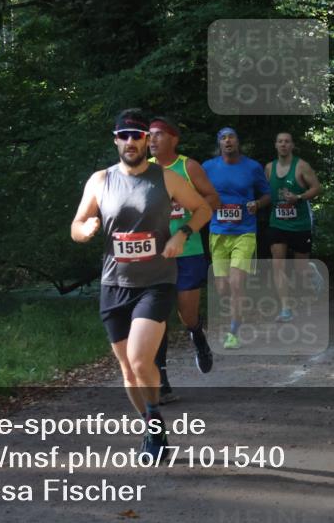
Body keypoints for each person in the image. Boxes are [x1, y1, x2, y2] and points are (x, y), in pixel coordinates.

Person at [71, 109, 211, 460]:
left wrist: (182, 234)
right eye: (125, 135)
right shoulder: (100, 180)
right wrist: (84, 231)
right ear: (115, 139)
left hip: (157, 282)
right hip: (115, 283)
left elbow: (203, 209)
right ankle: (153, 425)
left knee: (138, 360)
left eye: (138, 135)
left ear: (147, 140)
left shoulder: (166, 178)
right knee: (127, 372)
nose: (131, 141)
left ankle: (152, 420)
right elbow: (77, 223)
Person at [148, 116, 220, 403]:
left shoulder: (188, 167)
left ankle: (197, 334)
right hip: (156, 254)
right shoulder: (145, 171)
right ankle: (162, 379)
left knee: (186, 314)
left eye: (158, 135)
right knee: (157, 316)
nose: (151, 140)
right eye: (149, 136)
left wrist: (186, 204)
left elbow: (213, 199)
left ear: (174, 139)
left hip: (188, 251)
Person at [203, 127, 271, 349]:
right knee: (222, 287)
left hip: (245, 231)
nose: (228, 140)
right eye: (223, 137)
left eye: (232, 136)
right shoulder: (208, 167)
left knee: (236, 283)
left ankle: (233, 331)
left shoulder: (252, 167)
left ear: (238, 142)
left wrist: (257, 204)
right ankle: (237, 313)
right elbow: (197, 193)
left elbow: (268, 194)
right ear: (219, 144)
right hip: (219, 232)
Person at [265, 132, 323, 322]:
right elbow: (266, 192)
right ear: (275, 145)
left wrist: (298, 197)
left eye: (287, 141)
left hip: (300, 224)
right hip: (277, 222)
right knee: (278, 264)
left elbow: (317, 188)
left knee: (300, 268)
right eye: (280, 141)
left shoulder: (301, 166)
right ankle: (285, 308)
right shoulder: (268, 168)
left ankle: (310, 270)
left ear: (292, 145)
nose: (283, 145)